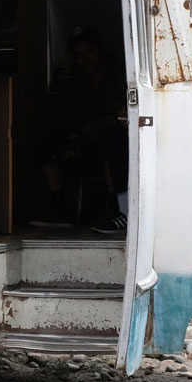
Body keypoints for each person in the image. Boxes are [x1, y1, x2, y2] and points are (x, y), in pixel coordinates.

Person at [31, 25, 129, 233]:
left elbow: (114, 117)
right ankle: (60, 209)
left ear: (100, 50)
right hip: (83, 145)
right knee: (45, 138)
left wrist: (80, 136)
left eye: (90, 51)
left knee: (111, 139)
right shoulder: (75, 80)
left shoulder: (118, 76)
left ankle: (119, 210)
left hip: (109, 145)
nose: (85, 59)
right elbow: (64, 115)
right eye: (79, 55)